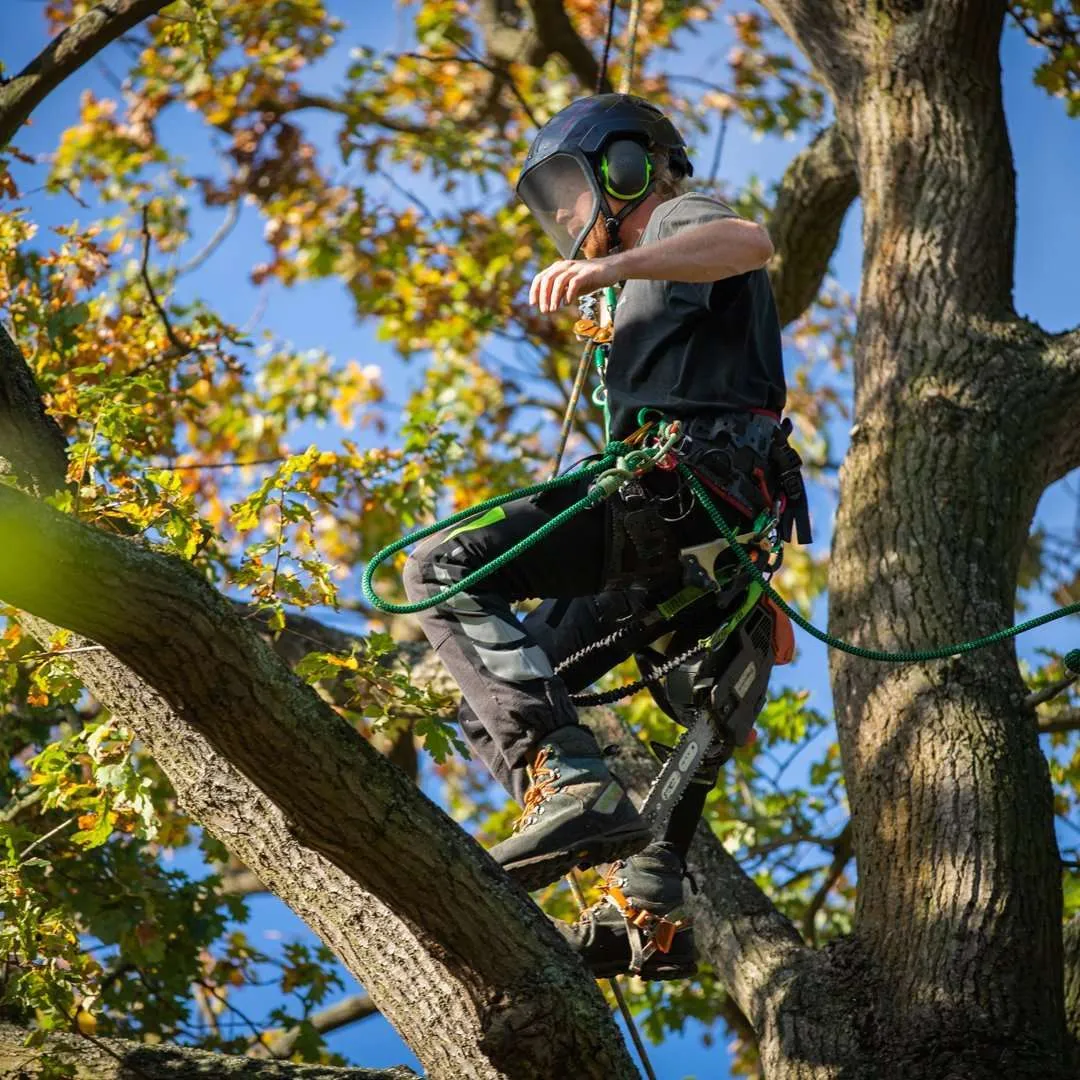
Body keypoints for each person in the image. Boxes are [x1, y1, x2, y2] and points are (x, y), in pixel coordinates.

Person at [403, 93, 802, 979]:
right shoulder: (643, 280)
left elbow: (751, 242)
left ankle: (576, 784)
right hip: (678, 534)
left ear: (625, 166)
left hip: (687, 489)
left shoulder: (678, 219)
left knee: (441, 568)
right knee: (489, 701)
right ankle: (644, 896)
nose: (568, 222)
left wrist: (606, 274)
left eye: (573, 192)